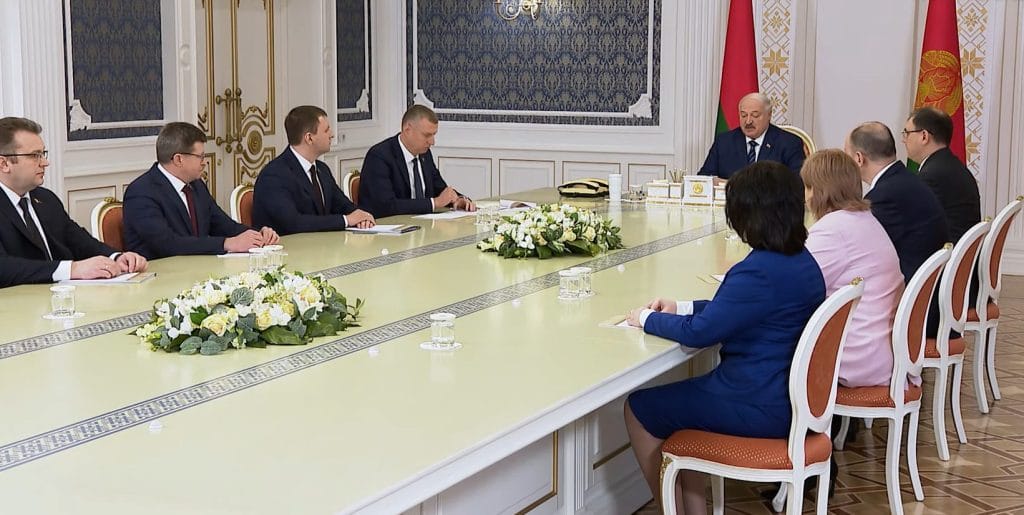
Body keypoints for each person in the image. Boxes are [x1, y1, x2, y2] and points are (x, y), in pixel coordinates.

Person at [623, 161, 825, 513]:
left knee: (639, 408)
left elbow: (701, 334)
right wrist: (682, 306)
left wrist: (647, 318)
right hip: (793, 401)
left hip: (757, 403)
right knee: (677, 409)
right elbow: (739, 309)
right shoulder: (800, 260)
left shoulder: (758, 270)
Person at [0, 117, 147, 288]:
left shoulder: (46, 199)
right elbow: (4, 268)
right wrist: (72, 269)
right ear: (4, 164)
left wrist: (116, 257)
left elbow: (78, 240)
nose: (45, 162)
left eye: (43, 154)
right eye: (35, 156)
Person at [802, 149, 903, 388]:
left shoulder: (833, 229)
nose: (805, 197)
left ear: (819, 190)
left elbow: (797, 285)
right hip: (880, 346)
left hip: (856, 354)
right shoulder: (863, 218)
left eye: (807, 187)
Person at [123, 122, 279, 259]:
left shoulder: (196, 185)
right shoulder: (141, 193)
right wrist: (227, 243)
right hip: (159, 276)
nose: (204, 163)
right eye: (200, 157)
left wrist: (258, 235)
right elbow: (168, 244)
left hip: (197, 269)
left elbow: (224, 225)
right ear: (179, 159)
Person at [844, 122, 948, 284]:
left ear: (858, 158)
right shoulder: (905, 180)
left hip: (912, 296)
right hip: (930, 285)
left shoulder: (884, 197)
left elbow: (862, 256)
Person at [252, 105, 375, 235]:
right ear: (309, 138)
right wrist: (346, 220)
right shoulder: (274, 176)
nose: (332, 135)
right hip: (289, 251)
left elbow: (344, 206)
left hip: (323, 247)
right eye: (326, 130)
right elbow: (294, 223)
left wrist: (361, 216)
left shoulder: (322, 170)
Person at [358, 104, 476, 218]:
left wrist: (458, 199)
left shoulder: (425, 154)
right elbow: (385, 206)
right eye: (426, 135)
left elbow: (440, 190)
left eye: (434, 135)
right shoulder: (379, 156)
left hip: (423, 228)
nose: (432, 142)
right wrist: (434, 203)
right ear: (407, 129)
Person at [903, 106, 981, 244]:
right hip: (959, 256)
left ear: (924, 136)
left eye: (907, 133)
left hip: (946, 259)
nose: (904, 140)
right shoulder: (951, 166)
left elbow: (915, 228)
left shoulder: (932, 176)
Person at [698, 92, 806, 180]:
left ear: (769, 115)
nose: (748, 121)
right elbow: (704, 178)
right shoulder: (724, 142)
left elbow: (797, 184)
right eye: (743, 115)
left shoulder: (789, 143)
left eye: (755, 115)